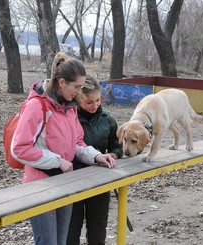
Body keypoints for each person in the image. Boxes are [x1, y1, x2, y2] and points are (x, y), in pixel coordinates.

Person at [11, 52, 116, 245]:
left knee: (63, 242)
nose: (79, 92)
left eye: (81, 87)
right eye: (76, 87)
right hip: (41, 186)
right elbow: (19, 148)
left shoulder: (70, 108)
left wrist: (97, 156)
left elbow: (77, 143)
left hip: (65, 182)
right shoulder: (37, 106)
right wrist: (57, 161)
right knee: (48, 242)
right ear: (61, 82)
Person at [67, 77, 123, 245]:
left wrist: (114, 155)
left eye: (98, 100)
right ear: (78, 99)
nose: (95, 105)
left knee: (98, 232)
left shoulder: (108, 120)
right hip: (72, 181)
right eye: (89, 102)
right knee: (70, 231)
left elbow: (117, 146)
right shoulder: (70, 117)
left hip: (100, 183)